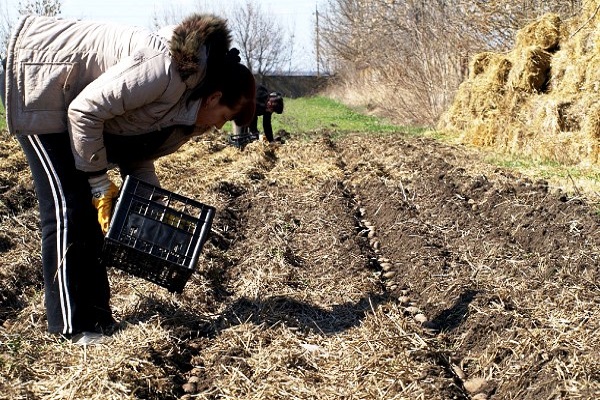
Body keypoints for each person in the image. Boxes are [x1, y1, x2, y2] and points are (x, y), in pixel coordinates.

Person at [1, 13, 255, 344]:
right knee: (69, 206)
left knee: (90, 214)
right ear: (214, 98)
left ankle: (98, 319)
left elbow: (138, 151)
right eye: (225, 117)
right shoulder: (164, 70)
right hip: (42, 83)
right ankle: (73, 326)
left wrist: (153, 208)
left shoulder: (186, 113)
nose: (220, 127)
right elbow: (84, 112)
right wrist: (98, 182)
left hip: (77, 108)